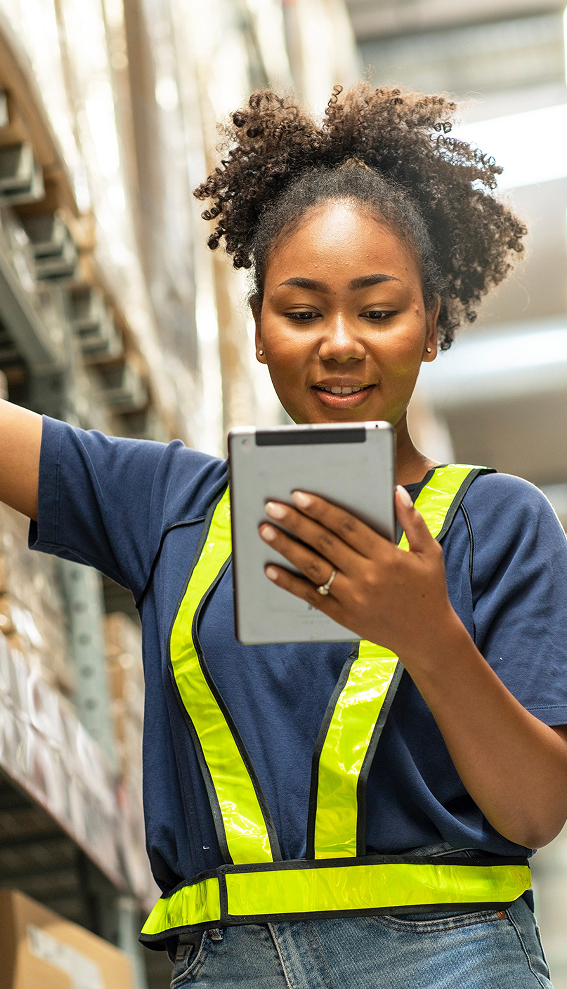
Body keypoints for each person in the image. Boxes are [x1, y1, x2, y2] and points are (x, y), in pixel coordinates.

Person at [1, 84, 567, 989]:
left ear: (432, 327)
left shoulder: (498, 523)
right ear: (258, 330)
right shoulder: (168, 507)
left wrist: (430, 636)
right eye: (301, 312)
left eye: (378, 311)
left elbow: (536, 808)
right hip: (226, 965)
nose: (338, 343)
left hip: (452, 958)